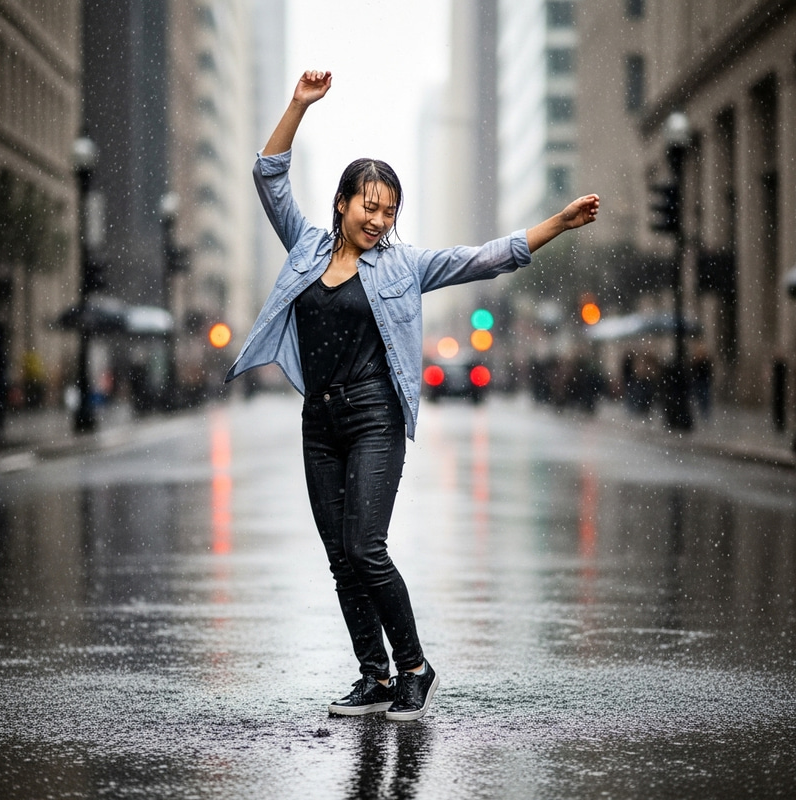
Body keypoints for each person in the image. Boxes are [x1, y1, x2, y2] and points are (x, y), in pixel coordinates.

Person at [225, 70, 600, 721]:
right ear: (342, 204)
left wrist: (558, 225)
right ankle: (374, 676)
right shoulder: (305, 248)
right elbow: (269, 176)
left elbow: (487, 258)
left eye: (389, 210)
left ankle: (416, 668)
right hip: (319, 420)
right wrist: (298, 105)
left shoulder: (404, 265)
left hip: (375, 416)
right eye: (368, 206)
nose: (378, 219)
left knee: (365, 547)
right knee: (340, 558)